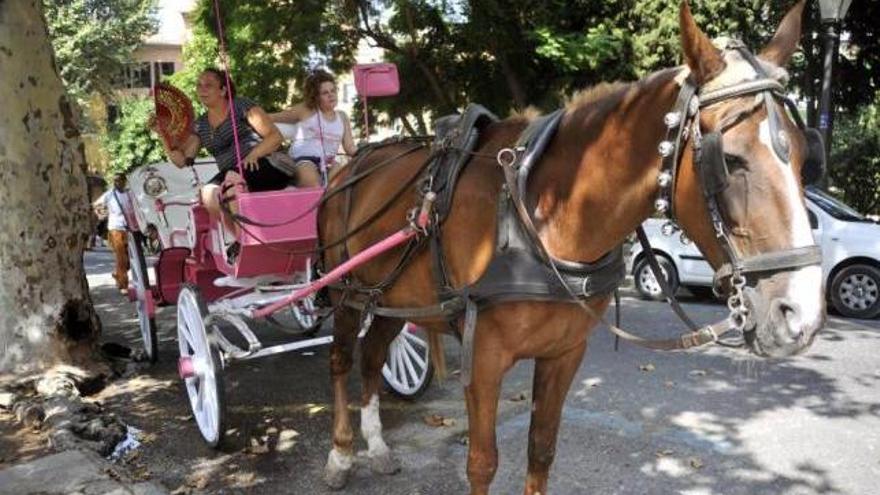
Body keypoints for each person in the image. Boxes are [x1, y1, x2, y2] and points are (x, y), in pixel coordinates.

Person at [154, 68, 291, 223]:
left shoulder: (241, 106)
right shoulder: (201, 124)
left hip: (269, 164)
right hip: (233, 174)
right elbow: (181, 160)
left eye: (209, 85)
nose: (202, 89)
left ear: (223, 90)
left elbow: (275, 137)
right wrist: (163, 135)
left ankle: (245, 239)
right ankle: (240, 239)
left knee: (231, 183)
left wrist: (254, 154)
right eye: (199, 85)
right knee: (207, 194)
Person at [270, 70, 357, 185]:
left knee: (340, 183)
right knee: (313, 184)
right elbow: (271, 118)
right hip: (304, 159)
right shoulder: (305, 110)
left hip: (329, 162)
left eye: (333, 91)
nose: (331, 95)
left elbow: (350, 147)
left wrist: (367, 152)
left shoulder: (342, 117)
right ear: (315, 97)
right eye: (325, 93)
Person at [93, 174, 133, 295]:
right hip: (115, 228)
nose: (116, 183)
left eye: (119, 180)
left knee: (129, 260)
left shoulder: (129, 194)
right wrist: (100, 213)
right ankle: (123, 285)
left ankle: (117, 274)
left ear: (124, 181)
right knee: (121, 258)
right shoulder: (110, 194)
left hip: (128, 227)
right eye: (114, 181)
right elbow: (96, 204)